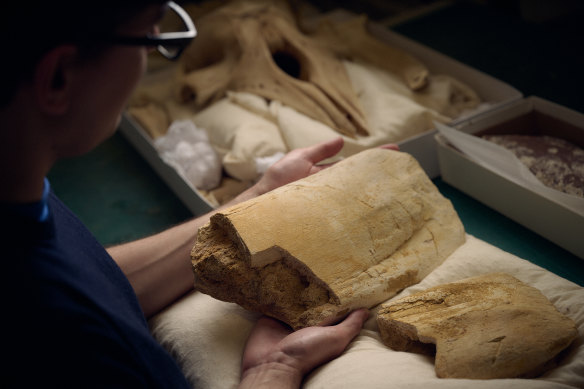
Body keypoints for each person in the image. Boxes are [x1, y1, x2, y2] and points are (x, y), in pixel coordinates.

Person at [1, 1, 394, 387]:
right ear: (58, 78)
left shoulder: (18, 187)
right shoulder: (86, 351)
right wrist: (273, 369)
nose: (155, 44)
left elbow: (91, 276)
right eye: (148, 32)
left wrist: (259, 199)